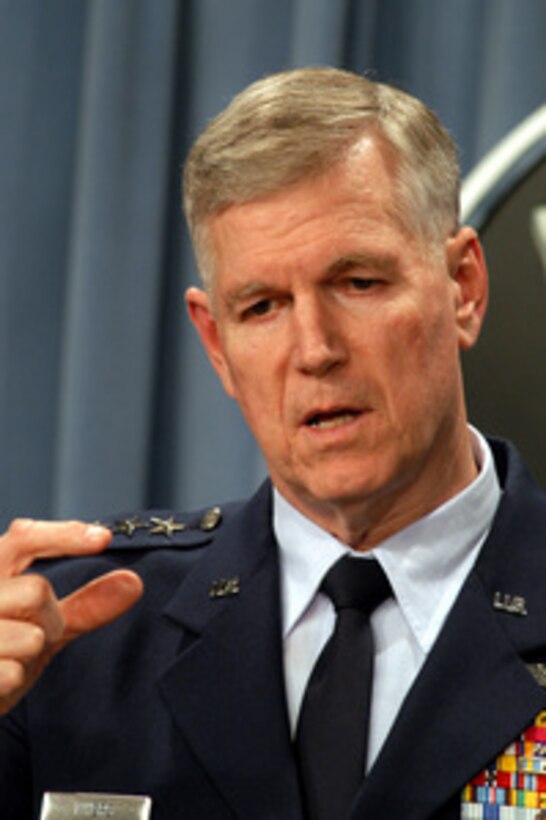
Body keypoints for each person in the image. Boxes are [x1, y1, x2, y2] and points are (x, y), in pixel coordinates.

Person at [1, 66, 546, 820]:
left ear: (463, 287)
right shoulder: (70, 639)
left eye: (357, 282)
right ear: (216, 345)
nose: (315, 348)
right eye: (262, 307)